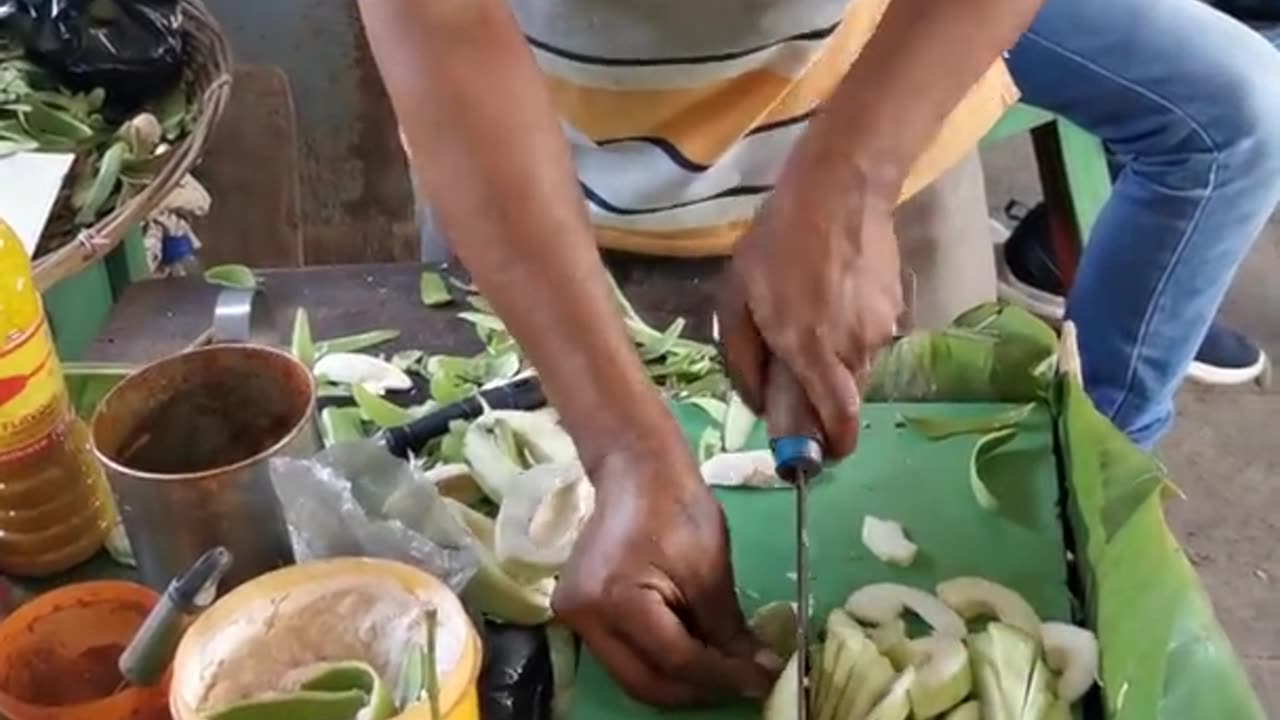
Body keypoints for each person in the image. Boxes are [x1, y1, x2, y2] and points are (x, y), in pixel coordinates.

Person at [358, 0, 1280, 707]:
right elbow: (437, 20)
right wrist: (626, 447)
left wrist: (854, 176)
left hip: (881, 103)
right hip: (531, 171)